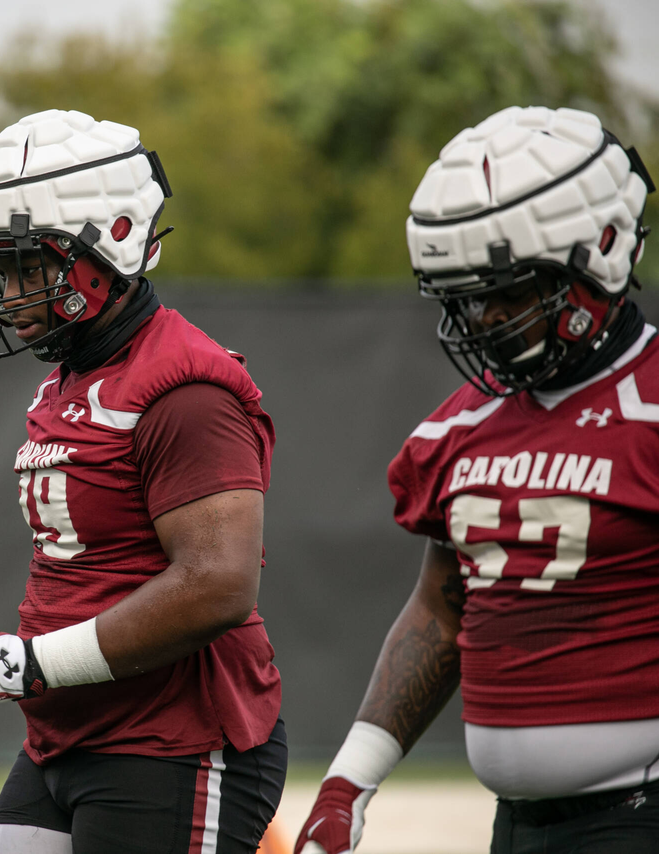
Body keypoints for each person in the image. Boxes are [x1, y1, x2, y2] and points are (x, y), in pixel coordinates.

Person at [0, 109, 287, 854]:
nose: (10, 292)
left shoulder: (184, 389)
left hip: (174, 738)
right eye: (0, 268)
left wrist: (25, 662)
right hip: (68, 732)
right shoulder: (73, 377)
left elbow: (219, 583)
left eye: (30, 266)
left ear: (111, 243)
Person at [294, 105, 659, 854]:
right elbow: (442, 606)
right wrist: (347, 784)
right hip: (517, 828)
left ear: (603, 252)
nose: (485, 319)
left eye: (511, 291)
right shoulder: (460, 423)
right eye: (467, 296)